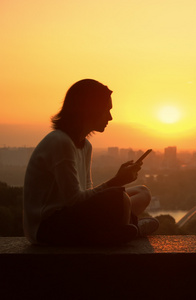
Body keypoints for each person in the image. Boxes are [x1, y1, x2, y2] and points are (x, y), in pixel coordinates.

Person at [23, 79, 159, 246]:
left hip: (71, 216)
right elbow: (74, 200)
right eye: (106, 110)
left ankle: (126, 228)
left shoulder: (85, 146)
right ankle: (126, 230)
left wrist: (117, 183)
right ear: (90, 110)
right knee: (121, 199)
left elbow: (86, 194)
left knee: (142, 192)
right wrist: (116, 181)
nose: (110, 117)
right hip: (47, 227)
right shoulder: (61, 142)